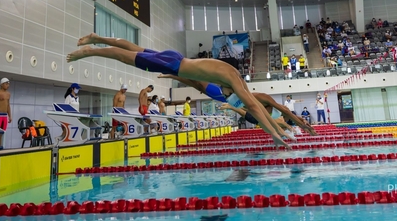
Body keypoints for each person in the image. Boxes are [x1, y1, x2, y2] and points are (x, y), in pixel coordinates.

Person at [68, 33, 291, 147]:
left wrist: (278, 131)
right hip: (172, 64)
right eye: (226, 95)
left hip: (175, 59)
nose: (224, 95)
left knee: (134, 48)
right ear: (230, 91)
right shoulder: (234, 82)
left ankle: (97, 38)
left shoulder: (233, 75)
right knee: (125, 56)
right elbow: (253, 107)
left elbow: (256, 108)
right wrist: (274, 135)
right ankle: (91, 50)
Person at [158, 74, 315, 135]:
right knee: (199, 82)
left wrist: (302, 126)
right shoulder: (265, 100)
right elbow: (287, 113)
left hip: (224, 97)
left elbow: (281, 123)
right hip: (228, 94)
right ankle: (175, 74)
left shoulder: (262, 112)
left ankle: (174, 75)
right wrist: (304, 125)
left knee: (198, 84)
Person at [0, 78, 12, 147]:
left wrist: (10, 116)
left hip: (5, 116)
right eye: (6, 84)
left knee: (1, 133)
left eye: (8, 84)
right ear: (2, 84)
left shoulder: (8, 94)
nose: (8, 85)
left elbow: (8, 105)